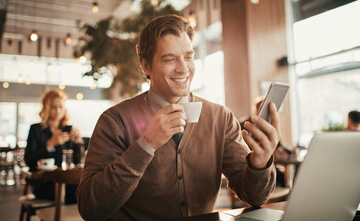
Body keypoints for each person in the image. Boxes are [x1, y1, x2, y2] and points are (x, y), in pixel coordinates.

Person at [77, 14, 281, 220]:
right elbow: (90, 208)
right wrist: (146, 145)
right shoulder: (114, 120)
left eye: (189, 56)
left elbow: (255, 197)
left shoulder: (220, 117)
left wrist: (260, 164)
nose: (183, 68)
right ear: (146, 66)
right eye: (170, 59)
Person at [24, 89, 83, 204]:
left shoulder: (68, 129)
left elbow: (76, 161)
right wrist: (50, 143)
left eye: (60, 107)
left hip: (65, 179)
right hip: (43, 183)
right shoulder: (36, 129)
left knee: (84, 190)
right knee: (77, 193)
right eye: (53, 107)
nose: (58, 111)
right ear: (46, 108)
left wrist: (78, 142)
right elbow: (28, 161)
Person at [239, 95, 296, 187]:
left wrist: (289, 152)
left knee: (292, 178)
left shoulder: (269, 126)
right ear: (257, 110)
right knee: (283, 180)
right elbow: (241, 150)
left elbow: (279, 145)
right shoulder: (243, 125)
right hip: (250, 168)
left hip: (270, 167)